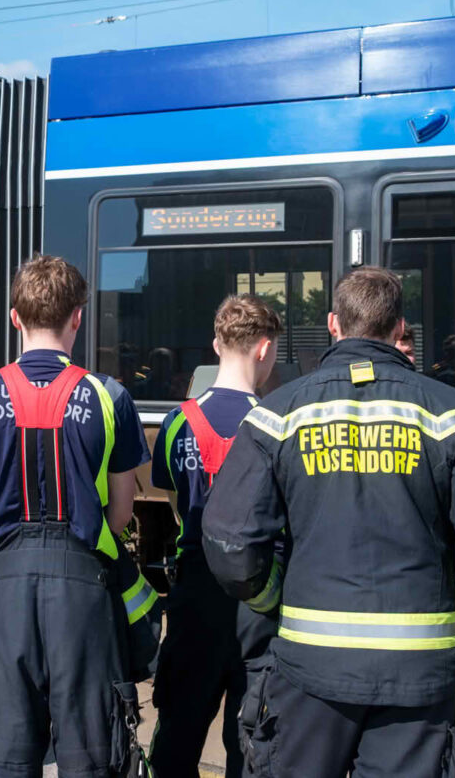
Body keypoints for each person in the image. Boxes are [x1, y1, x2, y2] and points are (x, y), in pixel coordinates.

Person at [203, 267, 455, 778]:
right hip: (419, 672)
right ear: (400, 327)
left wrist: (272, 599)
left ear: (333, 323)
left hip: (311, 666)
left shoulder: (278, 414)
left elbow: (230, 541)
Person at [0, 255, 150, 778]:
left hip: (6, 583)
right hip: (83, 583)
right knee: (91, 747)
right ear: (78, 317)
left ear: (14, 317)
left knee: (5, 748)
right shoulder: (110, 396)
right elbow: (122, 509)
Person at [148, 294, 282, 778]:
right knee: (251, 740)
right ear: (264, 349)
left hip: (195, 592)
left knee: (179, 730)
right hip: (258, 601)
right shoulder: (277, 421)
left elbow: (175, 504)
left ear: (215, 344)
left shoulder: (177, 420)